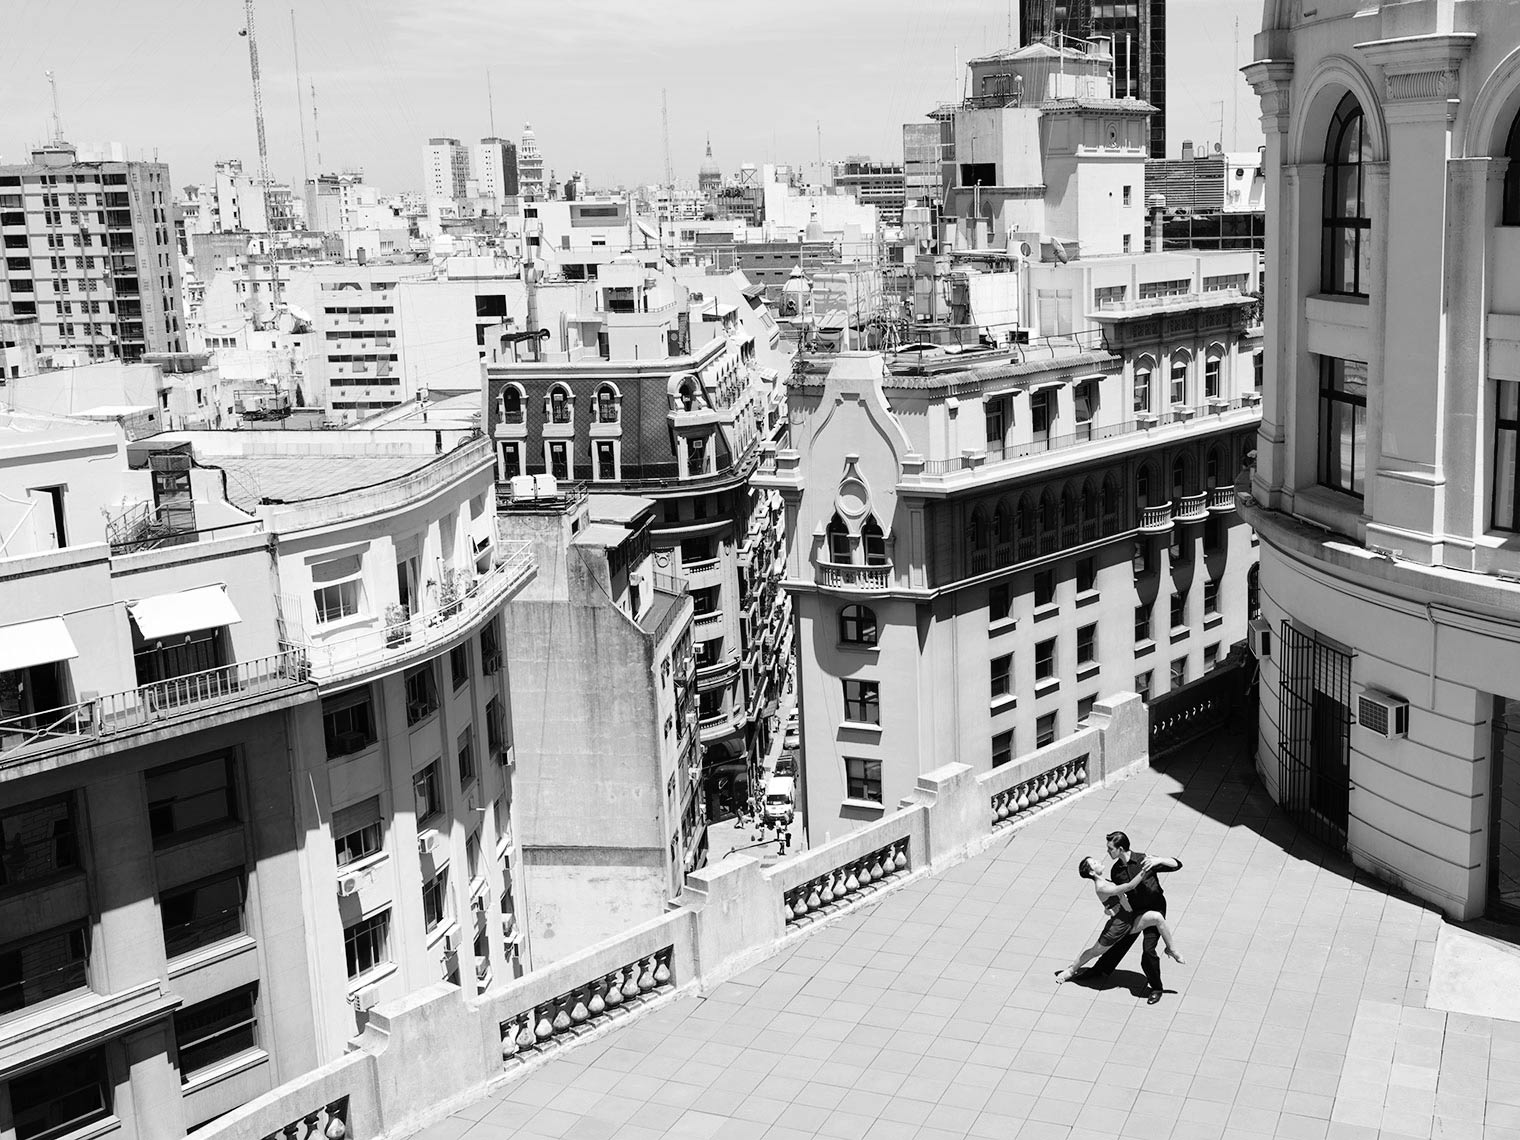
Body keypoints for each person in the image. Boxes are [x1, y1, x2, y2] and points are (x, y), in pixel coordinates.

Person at [1073, 831, 1184, 1004]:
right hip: (1135, 911)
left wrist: (1159, 860)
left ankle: (1156, 988)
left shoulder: (1144, 859)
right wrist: (1110, 909)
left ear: (1120, 848)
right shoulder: (1116, 871)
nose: (1108, 852)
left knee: (1148, 950)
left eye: (1110, 848)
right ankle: (1099, 970)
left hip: (1155, 907)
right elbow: (1118, 893)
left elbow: (1177, 864)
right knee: (1120, 941)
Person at [1055, 854, 1182, 984]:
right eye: (1094, 863)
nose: (1098, 861)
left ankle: (1171, 949)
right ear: (1092, 872)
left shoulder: (1105, 880)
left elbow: (1112, 901)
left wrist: (1108, 908)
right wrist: (1144, 870)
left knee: (1157, 917)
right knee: (1095, 951)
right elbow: (1129, 886)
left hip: (1130, 918)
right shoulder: (1101, 887)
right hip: (1119, 926)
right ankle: (1070, 971)